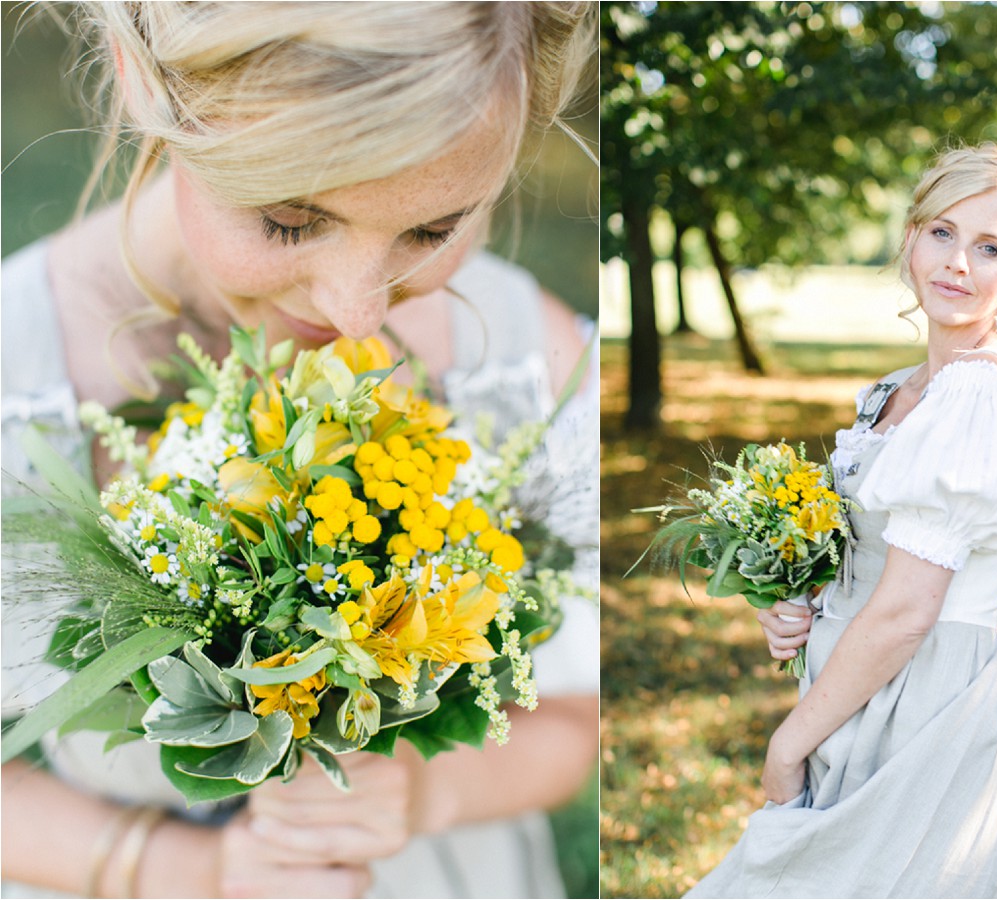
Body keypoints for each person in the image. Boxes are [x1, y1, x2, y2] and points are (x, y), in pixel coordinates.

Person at [0, 3, 599, 898]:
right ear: (140, 81)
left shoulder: (525, 365)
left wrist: (425, 793)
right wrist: (195, 870)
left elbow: (575, 719)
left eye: (433, 229)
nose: (360, 317)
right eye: (288, 217)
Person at [687, 143, 997, 899]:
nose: (958, 263)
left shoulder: (977, 399)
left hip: (921, 705)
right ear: (911, 237)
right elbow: (866, 564)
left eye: (991, 247)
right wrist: (796, 602)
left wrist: (788, 746)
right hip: (853, 690)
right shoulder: (896, 391)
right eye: (942, 232)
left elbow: (905, 609)